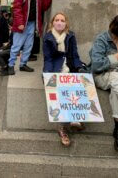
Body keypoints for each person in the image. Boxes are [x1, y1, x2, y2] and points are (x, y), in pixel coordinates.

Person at [43, 12, 84, 147]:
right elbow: (48, 58)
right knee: (60, 92)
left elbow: (75, 54)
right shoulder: (48, 37)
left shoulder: (70, 35)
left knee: (77, 86)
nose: (59, 22)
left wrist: (79, 68)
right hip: (55, 68)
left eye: (62, 20)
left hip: (69, 66)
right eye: (57, 20)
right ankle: (62, 129)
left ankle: (75, 118)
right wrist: (48, 74)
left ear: (66, 23)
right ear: (52, 22)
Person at [8, 0, 51, 75]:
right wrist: (20, 23)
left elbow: (44, 7)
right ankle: (10, 65)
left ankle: (23, 64)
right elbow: (16, 8)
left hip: (32, 23)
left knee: (28, 45)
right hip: (22, 24)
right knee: (17, 46)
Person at [90, 15, 118, 151]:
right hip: (102, 75)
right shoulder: (102, 39)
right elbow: (96, 65)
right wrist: (115, 58)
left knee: (116, 84)